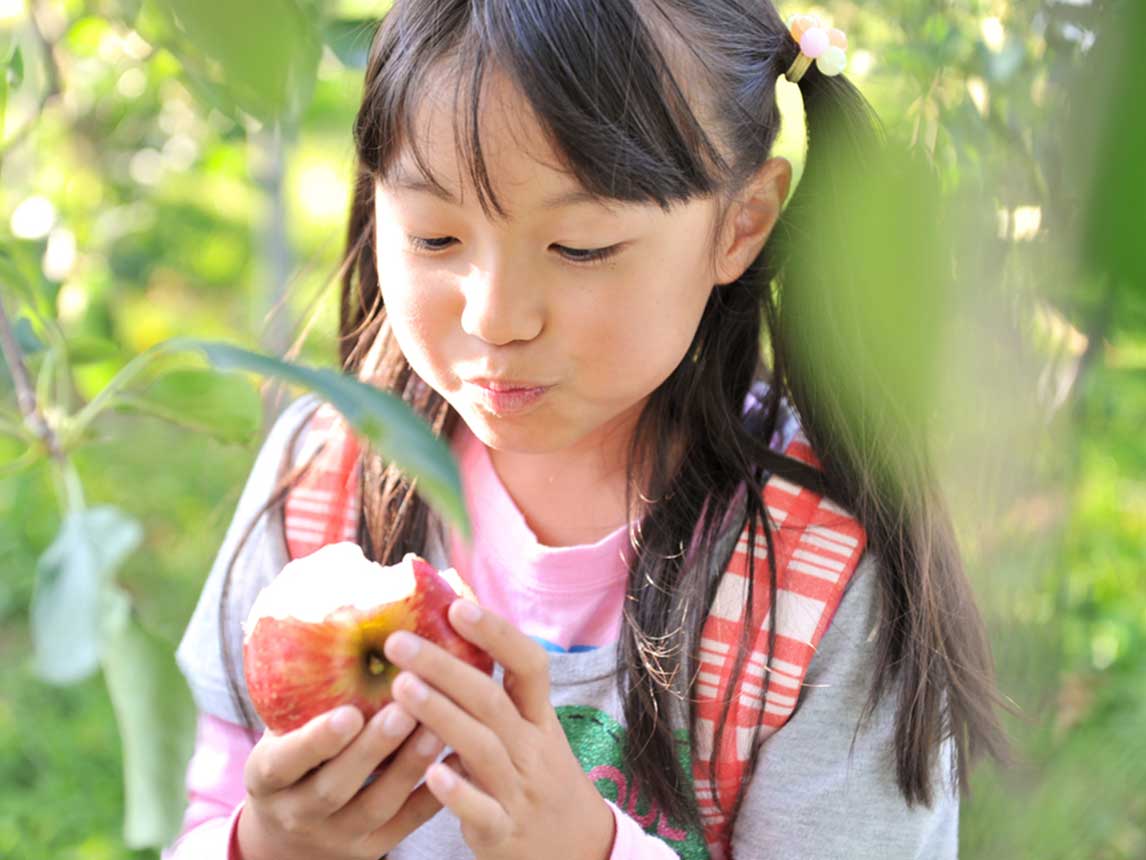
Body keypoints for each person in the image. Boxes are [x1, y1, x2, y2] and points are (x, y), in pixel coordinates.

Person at [163, 2, 1011, 858]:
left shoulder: (820, 582)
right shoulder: (322, 484)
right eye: (434, 234)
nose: (497, 317)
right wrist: (269, 843)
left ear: (740, 225)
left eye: (579, 247)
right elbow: (209, 812)